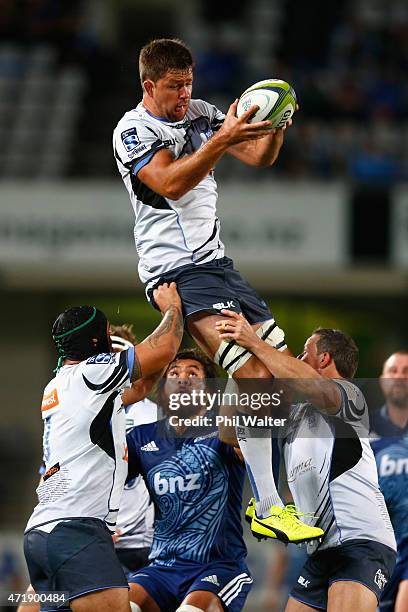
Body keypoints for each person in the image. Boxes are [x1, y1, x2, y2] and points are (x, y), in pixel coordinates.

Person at [112, 37, 318, 544]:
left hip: (220, 265)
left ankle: (248, 465)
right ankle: (269, 504)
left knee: (278, 379)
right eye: (175, 86)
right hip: (177, 270)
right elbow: (170, 183)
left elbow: (259, 157)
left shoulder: (202, 112)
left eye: (189, 83)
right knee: (250, 373)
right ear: (149, 85)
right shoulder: (133, 130)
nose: (185, 94)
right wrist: (221, 139)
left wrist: (273, 130)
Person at [216, 310, 397, 612]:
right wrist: (238, 368)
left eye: (303, 353)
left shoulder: (349, 396)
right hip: (320, 550)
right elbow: (229, 433)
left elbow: (311, 386)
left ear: (324, 359)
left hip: (361, 541)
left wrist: (256, 342)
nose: (295, 359)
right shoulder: (294, 415)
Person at [23, 283, 183, 612]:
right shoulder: (93, 373)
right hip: (77, 530)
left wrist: (150, 370)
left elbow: (136, 390)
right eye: (107, 334)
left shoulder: (59, 384)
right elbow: (165, 347)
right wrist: (173, 308)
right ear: (96, 342)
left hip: (41, 534)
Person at [126, 348, 253, 612]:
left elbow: (252, 441)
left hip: (218, 567)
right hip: (162, 567)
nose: (182, 378)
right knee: (124, 606)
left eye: (193, 373)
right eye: (173, 373)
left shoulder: (224, 430)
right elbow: (108, 481)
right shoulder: (140, 438)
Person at [109, 325, 156, 576]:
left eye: (119, 357)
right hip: (89, 536)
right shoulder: (76, 410)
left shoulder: (153, 416)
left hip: (138, 543)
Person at [370, 351, 408, 612]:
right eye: (393, 371)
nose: (399, 377)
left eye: (406, 372)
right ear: (382, 379)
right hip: (378, 551)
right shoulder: (364, 429)